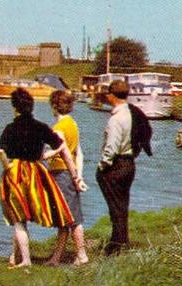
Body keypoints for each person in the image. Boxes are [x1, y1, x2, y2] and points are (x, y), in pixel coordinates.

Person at [0, 87, 85, 267]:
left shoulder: (10, 127)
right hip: (37, 172)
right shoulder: (43, 127)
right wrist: (46, 157)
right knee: (35, 212)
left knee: (18, 217)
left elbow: (0, 151)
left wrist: (7, 168)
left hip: (17, 171)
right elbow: (61, 146)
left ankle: (19, 257)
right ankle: (23, 258)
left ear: (15, 108)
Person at [45, 89, 89, 266]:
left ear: (55, 106)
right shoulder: (73, 124)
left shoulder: (59, 129)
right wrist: (79, 176)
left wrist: (44, 155)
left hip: (61, 174)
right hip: (68, 174)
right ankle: (56, 258)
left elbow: (64, 153)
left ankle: (82, 255)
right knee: (64, 219)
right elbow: (79, 153)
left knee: (72, 219)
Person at [96, 78, 135, 255]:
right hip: (129, 162)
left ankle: (117, 244)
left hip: (116, 164)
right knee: (122, 204)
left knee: (115, 206)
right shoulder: (131, 114)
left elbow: (111, 146)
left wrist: (103, 165)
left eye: (108, 94)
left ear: (112, 95)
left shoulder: (115, 119)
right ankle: (121, 240)